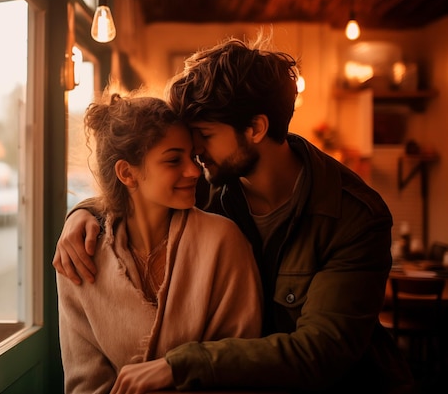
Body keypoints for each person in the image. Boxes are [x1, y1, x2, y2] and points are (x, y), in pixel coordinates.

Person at [53, 33, 415, 394]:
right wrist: (86, 213)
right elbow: (142, 188)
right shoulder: (211, 179)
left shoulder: (354, 217)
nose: (195, 153)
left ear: (255, 128)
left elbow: (320, 352)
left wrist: (181, 365)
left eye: (205, 134)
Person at [56, 92, 263, 393]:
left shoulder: (223, 242)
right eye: (173, 160)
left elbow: (238, 363)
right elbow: (84, 381)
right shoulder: (81, 257)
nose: (194, 170)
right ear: (127, 173)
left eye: (192, 156)